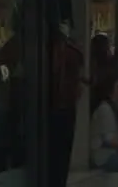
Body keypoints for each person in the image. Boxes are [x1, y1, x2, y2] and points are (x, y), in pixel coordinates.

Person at [48, 27, 85, 187]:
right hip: (65, 108)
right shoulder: (73, 52)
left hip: (54, 107)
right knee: (62, 156)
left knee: (55, 155)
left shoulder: (51, 51)